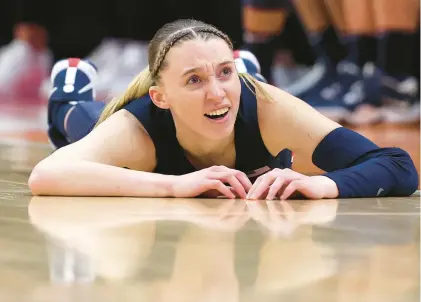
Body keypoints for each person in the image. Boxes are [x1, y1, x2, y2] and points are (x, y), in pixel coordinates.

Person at [28, 19, 418, 200]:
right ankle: (71, 87)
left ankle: (246, 70)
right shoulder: (138, 126)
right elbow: (46, 175)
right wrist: (174, 185)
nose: (217, 94)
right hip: (131, 129)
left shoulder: (267, 107)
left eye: (224, 73)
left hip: (255, 110)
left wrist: (323, 185)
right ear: (161, 96)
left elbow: (398, 165)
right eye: (194, 79)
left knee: (258, 121)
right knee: (75, 123)